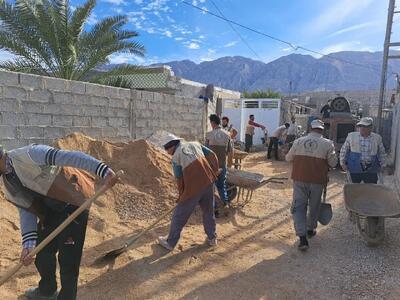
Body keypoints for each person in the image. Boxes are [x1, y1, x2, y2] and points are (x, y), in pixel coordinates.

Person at [0, 144, 118, 300]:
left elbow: (70, 157)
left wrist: (103, 170)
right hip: (49, 213)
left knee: (68, 259)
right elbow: (26, 209)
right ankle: (47, 290)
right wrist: (28, 245)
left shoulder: (30, 154)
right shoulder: (7, 182)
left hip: (73, 202)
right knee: (41, 254)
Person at [158, 134, 219, 251]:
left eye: (166, 149)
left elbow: (179, 179)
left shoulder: (176, 156)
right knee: (208, 212)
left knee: (179, 216)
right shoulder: (195, 144)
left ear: (172, 146)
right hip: (208, 182)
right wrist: (215, 171)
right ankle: (212, 238)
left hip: (193, 188)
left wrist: (182, 196)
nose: (166, 152)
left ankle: (170, 243)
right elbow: (213, 155)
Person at [286, 119, 337, 251]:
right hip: (318, 180)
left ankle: (302, 238)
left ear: (310, 128)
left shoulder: (298, 141)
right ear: (322, 129)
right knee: (314, 205)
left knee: (299, 206)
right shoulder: (328, 144)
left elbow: (288, 158)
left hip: (300, 178)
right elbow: (333, 163)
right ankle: (310, 229)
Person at [340, 117, 387, 184]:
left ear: (371, 127)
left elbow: (382, 153)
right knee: (354, 188)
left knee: (370, 188)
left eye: (365, 126)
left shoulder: (377, 138)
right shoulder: (351, 136)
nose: (362, 128)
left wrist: (383, 164)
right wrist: (342, 163)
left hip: (371, 169)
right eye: (361, 126)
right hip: (354, 167)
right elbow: (344, 150)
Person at [206, 115, 232, 214]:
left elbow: (206, 151)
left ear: (212, 123)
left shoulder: (209, 134)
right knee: (221, 186)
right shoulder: (227, 134)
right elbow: (229, 151)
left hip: (211, 166)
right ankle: (225, 203)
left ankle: (214, 208)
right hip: (222, 165)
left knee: (210, 187)